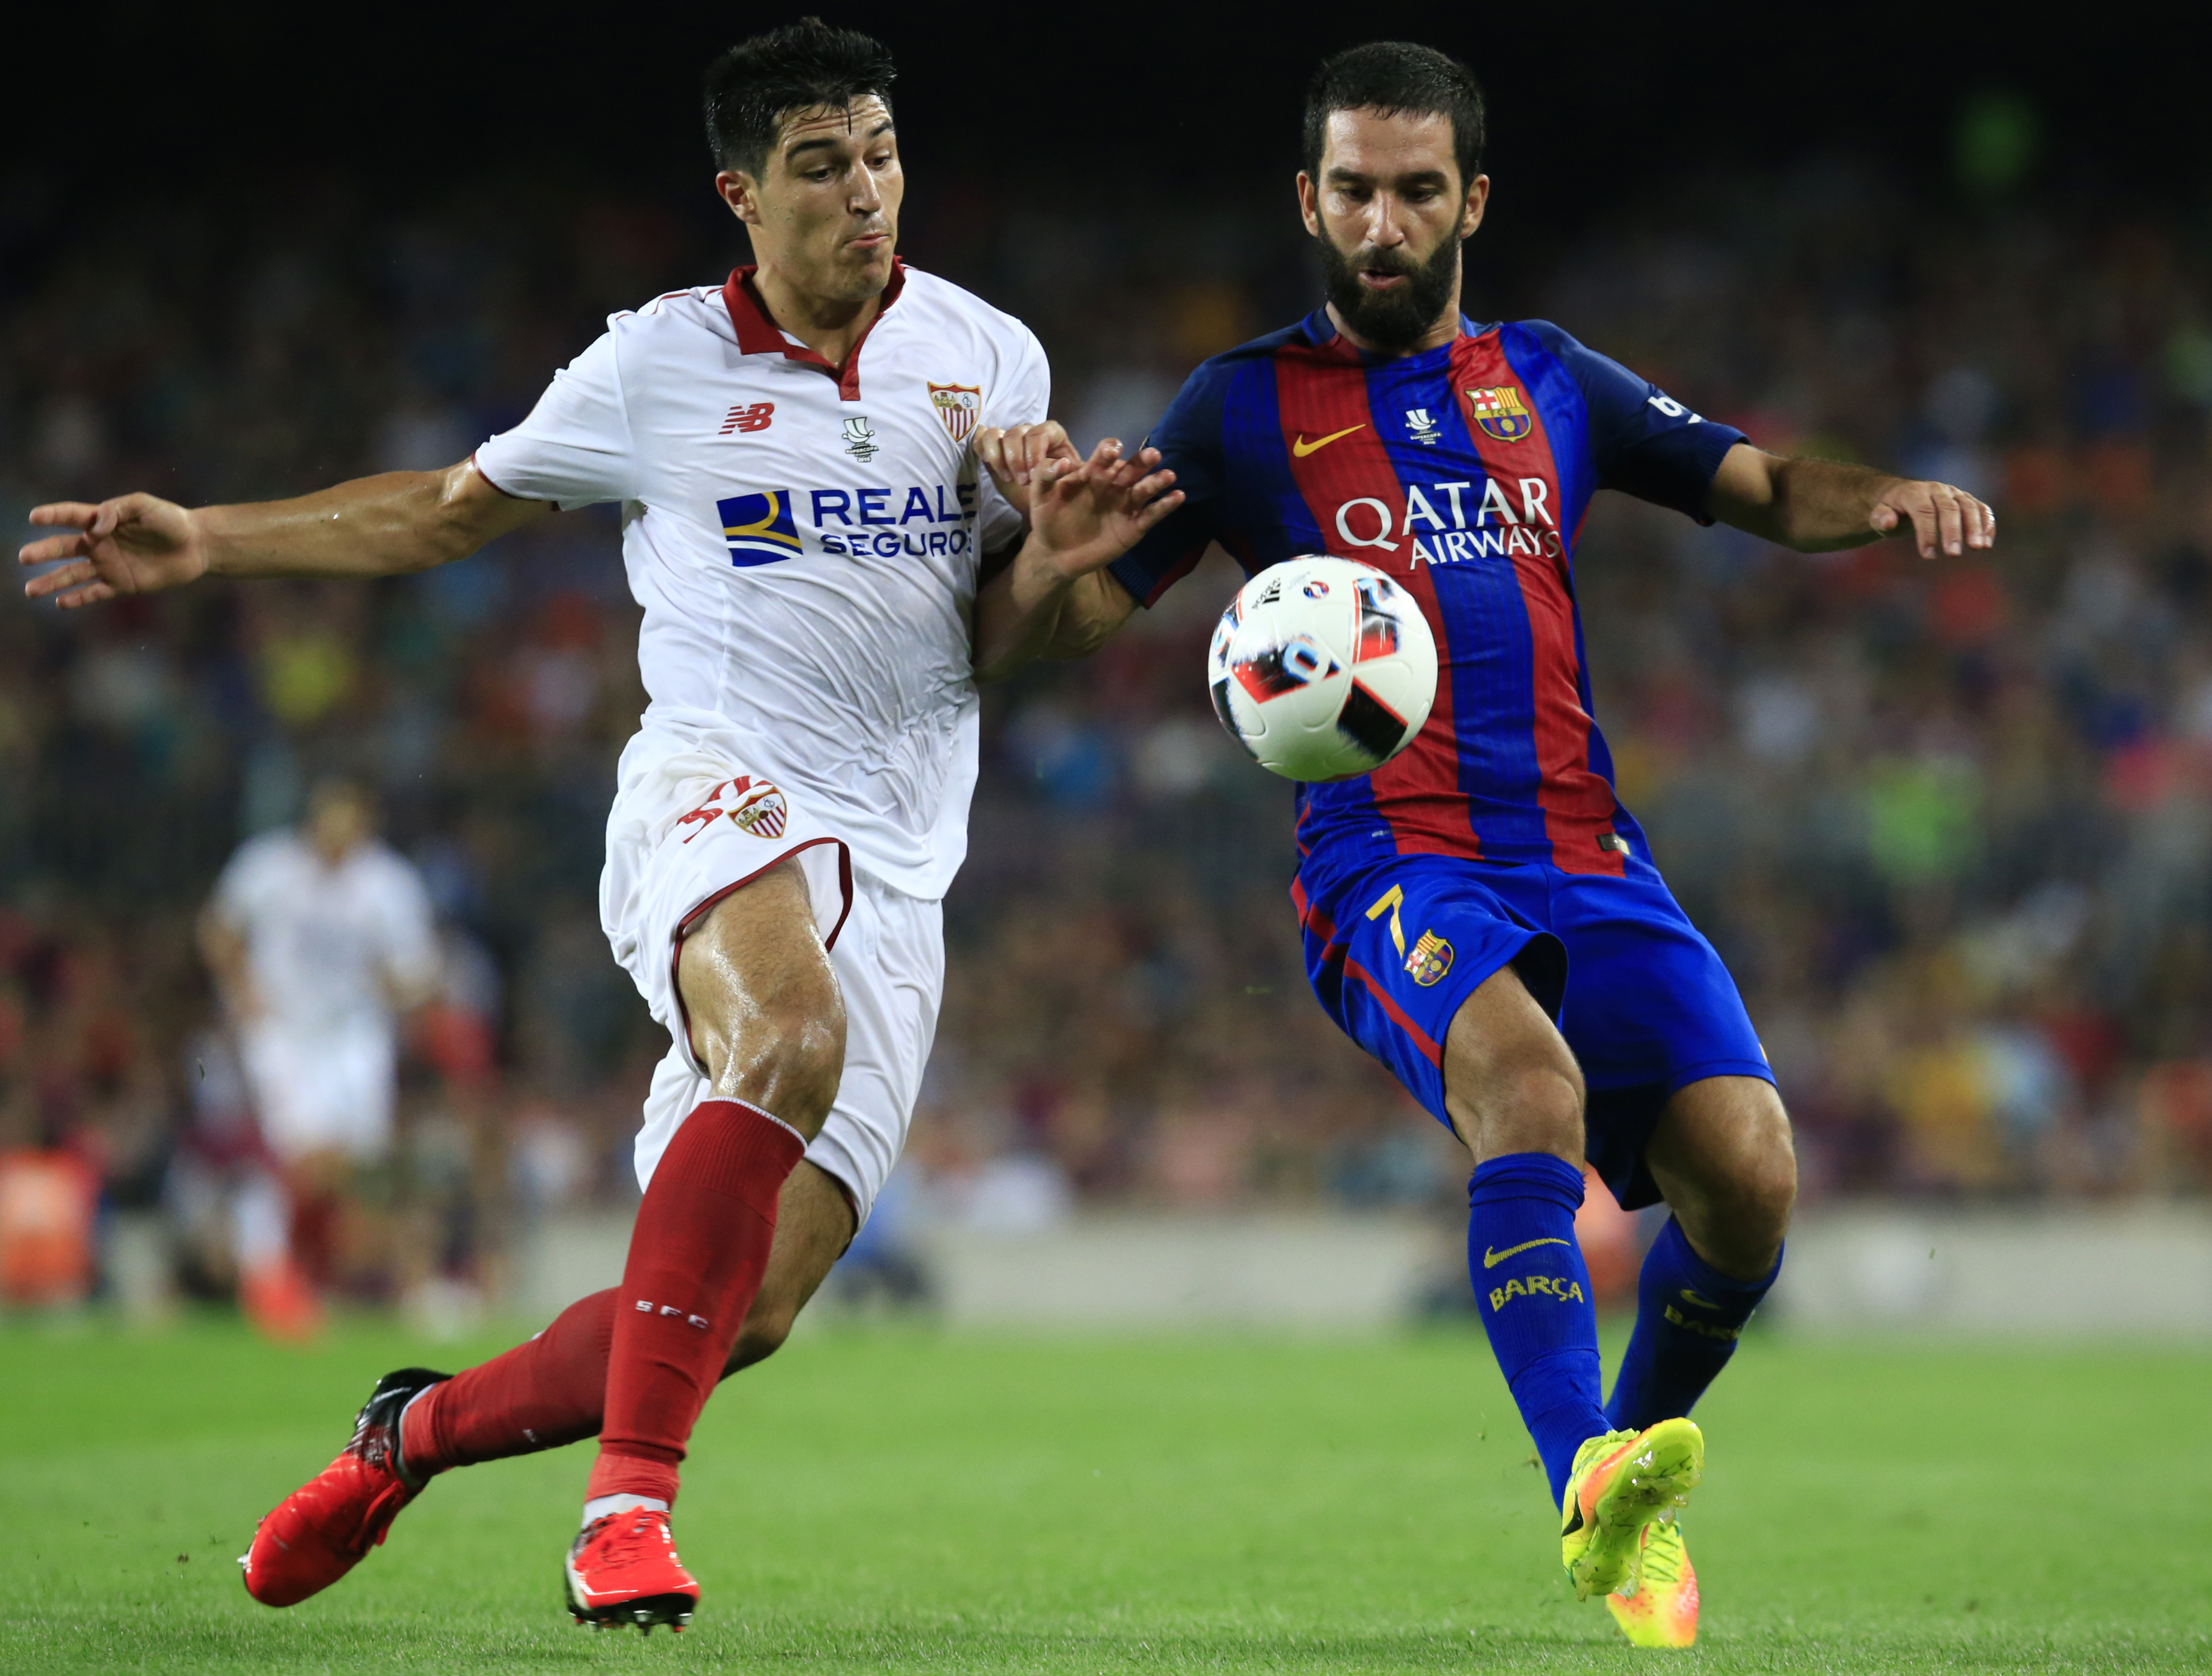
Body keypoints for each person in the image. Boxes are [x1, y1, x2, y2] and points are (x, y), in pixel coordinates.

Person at [18, 18, 1175, 1633]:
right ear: (743, 195)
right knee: (788, 1033)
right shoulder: (654, 363)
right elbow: (447, 510)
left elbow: (999, 642)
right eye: (822, 166)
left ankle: (403, 1435)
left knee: (738, 1315)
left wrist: (1058, 560)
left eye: (883, 155)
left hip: (902, 846)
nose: (866, 194)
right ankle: (625, 1512)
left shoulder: (989, 356)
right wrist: (207, 538)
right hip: (718, 779)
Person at [972, 40, 1995, 1649]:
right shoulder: (1239, 407)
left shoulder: (1555, 377)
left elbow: (1765, 482)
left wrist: (1884, 500)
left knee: (1750, 1183)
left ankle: (1628, 1495)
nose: (1383, 224)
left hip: (1589, 850)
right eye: (1354, 191)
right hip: (1390, 855)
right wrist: (1046, 566)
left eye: (1417, 191)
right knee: (1530, 1085)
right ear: (1308, 198)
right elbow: (1059, 627)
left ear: (1472, 202)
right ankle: (1580, 1461)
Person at [199, 778, 442, 1339]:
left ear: (364, 823)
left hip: (355, 1034)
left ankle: (304, 1269)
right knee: (302, 1156)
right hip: (284, 1029)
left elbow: (417, 971)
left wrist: (400, 987)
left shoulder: (388, 882)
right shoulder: (268, 867)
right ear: (313, 820)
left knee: (355, 1165)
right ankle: (270, 1273)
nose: (337, 834)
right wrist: (241, 990)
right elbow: (218, 928)